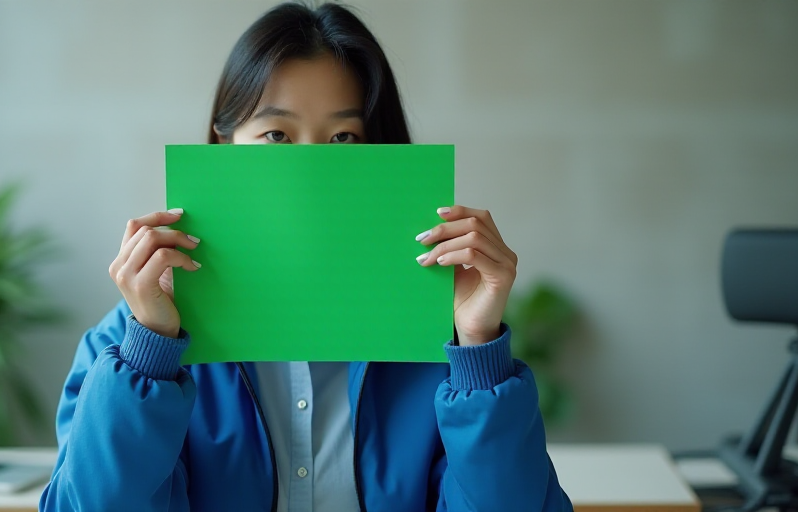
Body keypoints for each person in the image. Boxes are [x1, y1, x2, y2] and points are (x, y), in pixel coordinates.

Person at [39, 2, 572, 511]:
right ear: (224, 145)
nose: (313, 171)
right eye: (276, 134)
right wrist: (150, 356)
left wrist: (478, 356)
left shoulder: (442, 349)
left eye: (343, 137)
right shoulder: (124, 348)